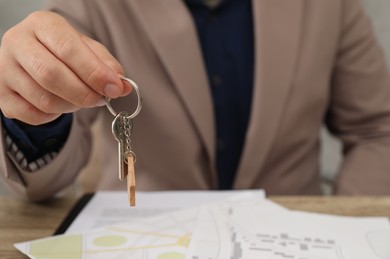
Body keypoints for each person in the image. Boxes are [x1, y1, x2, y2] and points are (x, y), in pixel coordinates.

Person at [1, 0, 390, 202]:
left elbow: (378, 130)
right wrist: (35, 104)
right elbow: (41, 186)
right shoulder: (93, 7)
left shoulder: (330, 6)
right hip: (143, 237)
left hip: (292, 233)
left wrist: (343, 221)